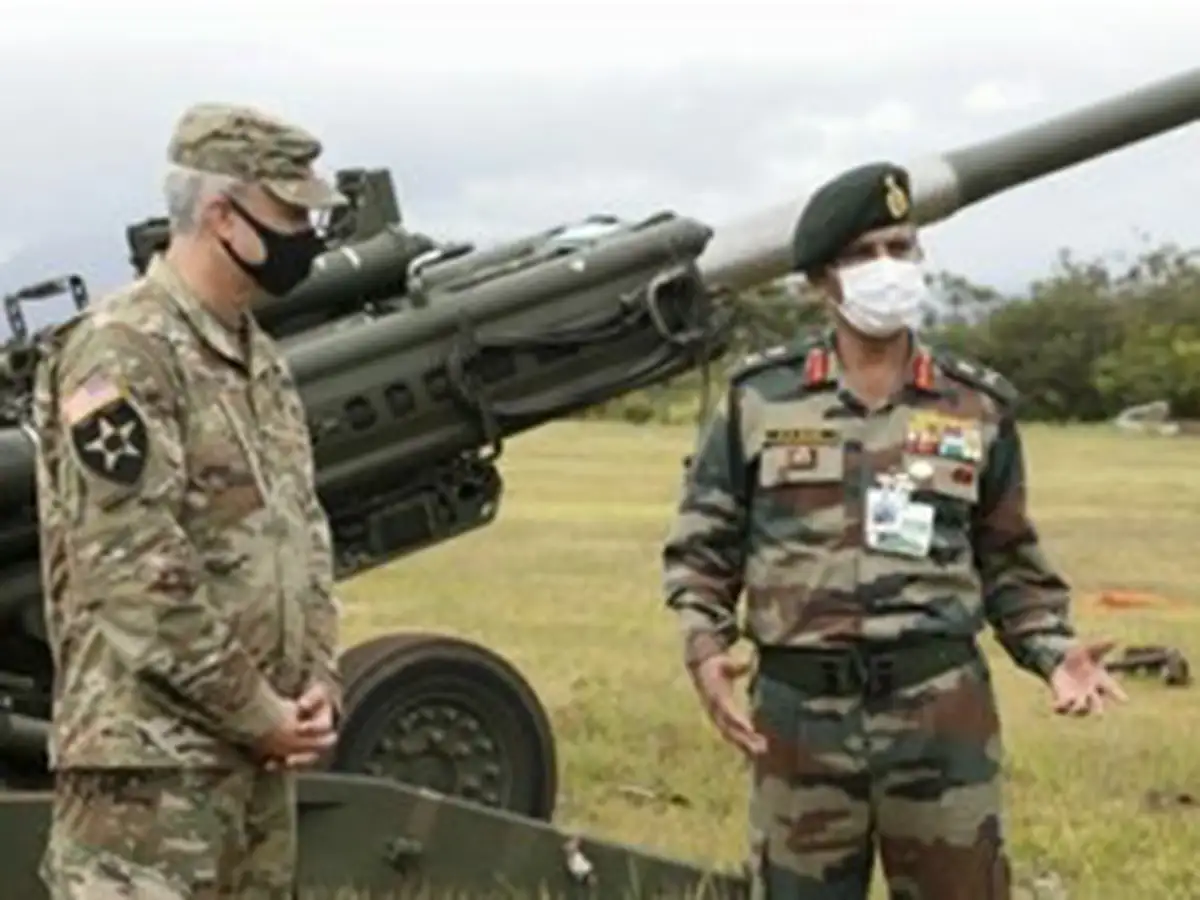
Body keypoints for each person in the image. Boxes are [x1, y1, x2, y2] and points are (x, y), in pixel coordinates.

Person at [660, 162, 1127, 899]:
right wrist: (705, 646)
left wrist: (1054, 652)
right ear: (821, 280)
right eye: (863, 253)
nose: (888, 267)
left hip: (939, 713)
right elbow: (702, 547)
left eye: (901, 248)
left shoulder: (976, 404)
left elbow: (1010, 563)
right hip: (799, 719)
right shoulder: (761, 399)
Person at [32, 102, 347, 899]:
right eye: (290, 215)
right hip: (147, 777)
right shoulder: (121, 352)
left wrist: (318, 682)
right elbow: (131, 570)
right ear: (220, 215)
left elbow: (303, 535)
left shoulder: (259, 362)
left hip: (252, 768)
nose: (306, 236)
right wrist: (256, 710)